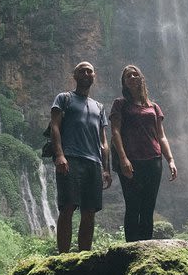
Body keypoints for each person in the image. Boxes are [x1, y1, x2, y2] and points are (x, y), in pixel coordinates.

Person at [110, 64, 177, 242]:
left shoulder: (154, 107)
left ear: (141, 79)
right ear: (124, 83)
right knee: (133, 206)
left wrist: (170, 159)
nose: (132, 78)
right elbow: (115, 132)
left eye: (135, 75)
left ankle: (147, 247)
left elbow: (161, 136)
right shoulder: (120, 104)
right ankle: (131, 248)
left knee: (148, 207)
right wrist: (123, 159)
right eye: (128, 76)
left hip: (154, 161)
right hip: (131, 161)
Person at [50, 61, 112, 253]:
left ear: (94, 76)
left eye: (89, 71)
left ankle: (84, 256)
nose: (86, 73)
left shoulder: (99, 107)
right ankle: (63, 256)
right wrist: (59, 154)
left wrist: (106, 169)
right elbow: (54, 126)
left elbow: (104, 141)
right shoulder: (64, 98)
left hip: (94, 163)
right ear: (75, 76)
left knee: (89, 211)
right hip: (71, 158)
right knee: (67, 207)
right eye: (82, 71)